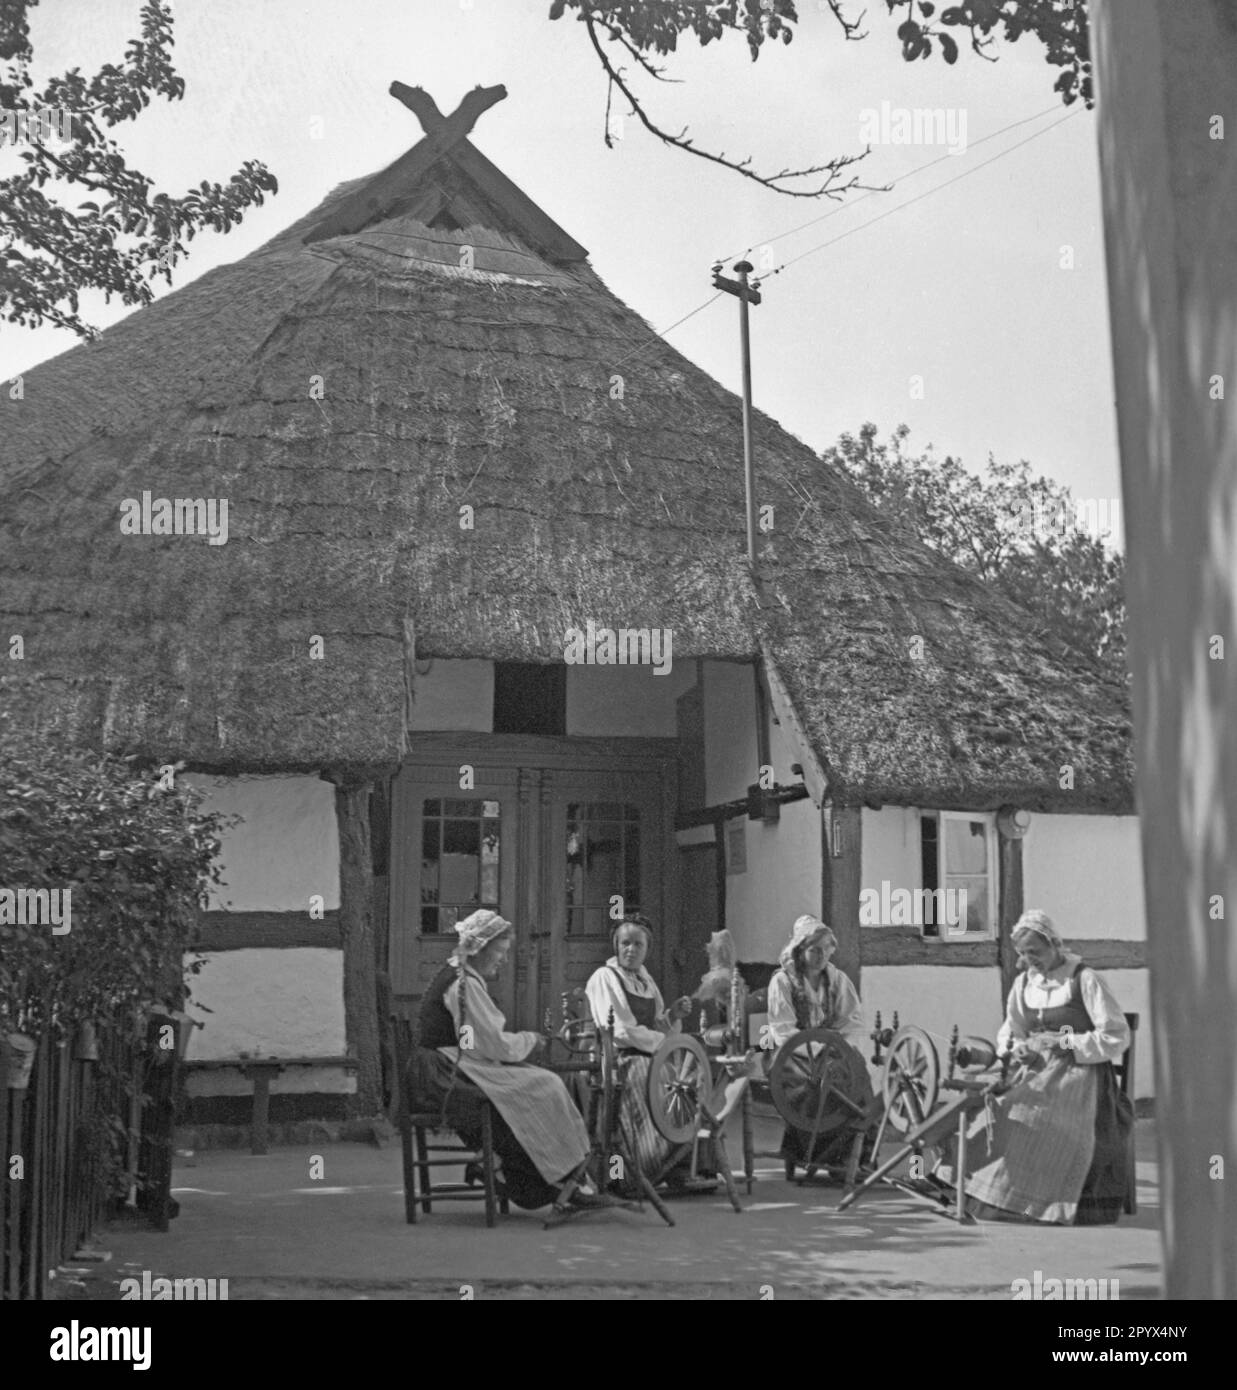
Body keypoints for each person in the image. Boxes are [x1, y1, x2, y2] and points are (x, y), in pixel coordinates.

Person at [409, 909, 591, 1210]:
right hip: (444, 1073)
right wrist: (530, 1041)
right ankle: (536, 1176)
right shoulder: (462, 984)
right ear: (480, 948)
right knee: (545, 1084)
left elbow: (476, 1041)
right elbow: (492, 1044)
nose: (504, 960)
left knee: (534, 1081)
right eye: (501, 952)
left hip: (448, 1063)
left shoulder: (460, 975)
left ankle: (540, 1173)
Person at [962, 909, 1133, 1225]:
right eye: (1024, 953)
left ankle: (1029, 1202)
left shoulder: (1085, 979)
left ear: (1055, 944)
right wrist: (1016, 1050)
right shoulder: (1024, 983)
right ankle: (981, 1193)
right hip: (1034, 1071)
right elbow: (1010, 1031)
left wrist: (1065, 1043)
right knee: (993, 1106)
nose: (1031, 959)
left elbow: (1117, 1035)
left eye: (1036, 952)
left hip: (1081, 1077)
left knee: (1029, 1113)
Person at [584, 913, 695, 1190]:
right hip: (615, 1058)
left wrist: (673, 1016)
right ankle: (637, 1170)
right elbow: (621, 1031)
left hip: (644, 1054)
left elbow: (657, 1025)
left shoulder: (646, 980)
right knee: (653, 1076)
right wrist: (662, 1043)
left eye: (638, 945)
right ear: (616, 945)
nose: (631, 950)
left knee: (683, 1082)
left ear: (647, 950)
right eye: (625, 943)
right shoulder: (605, 977)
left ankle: (678, 1163)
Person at [765, 914, 873, 1174]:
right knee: (813, 1083)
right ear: (800, 950)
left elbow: (852, 1021)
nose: (822, 955)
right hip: (792, 1055)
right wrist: (816, 1049)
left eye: (827, 949)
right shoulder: (783, 981)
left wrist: (838, 1047)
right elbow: (782, 1029)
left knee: (856, 1073)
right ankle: (816, 1154)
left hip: (831, 1051)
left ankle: (854, 1156)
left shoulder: (837, 980)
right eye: (815, 949)